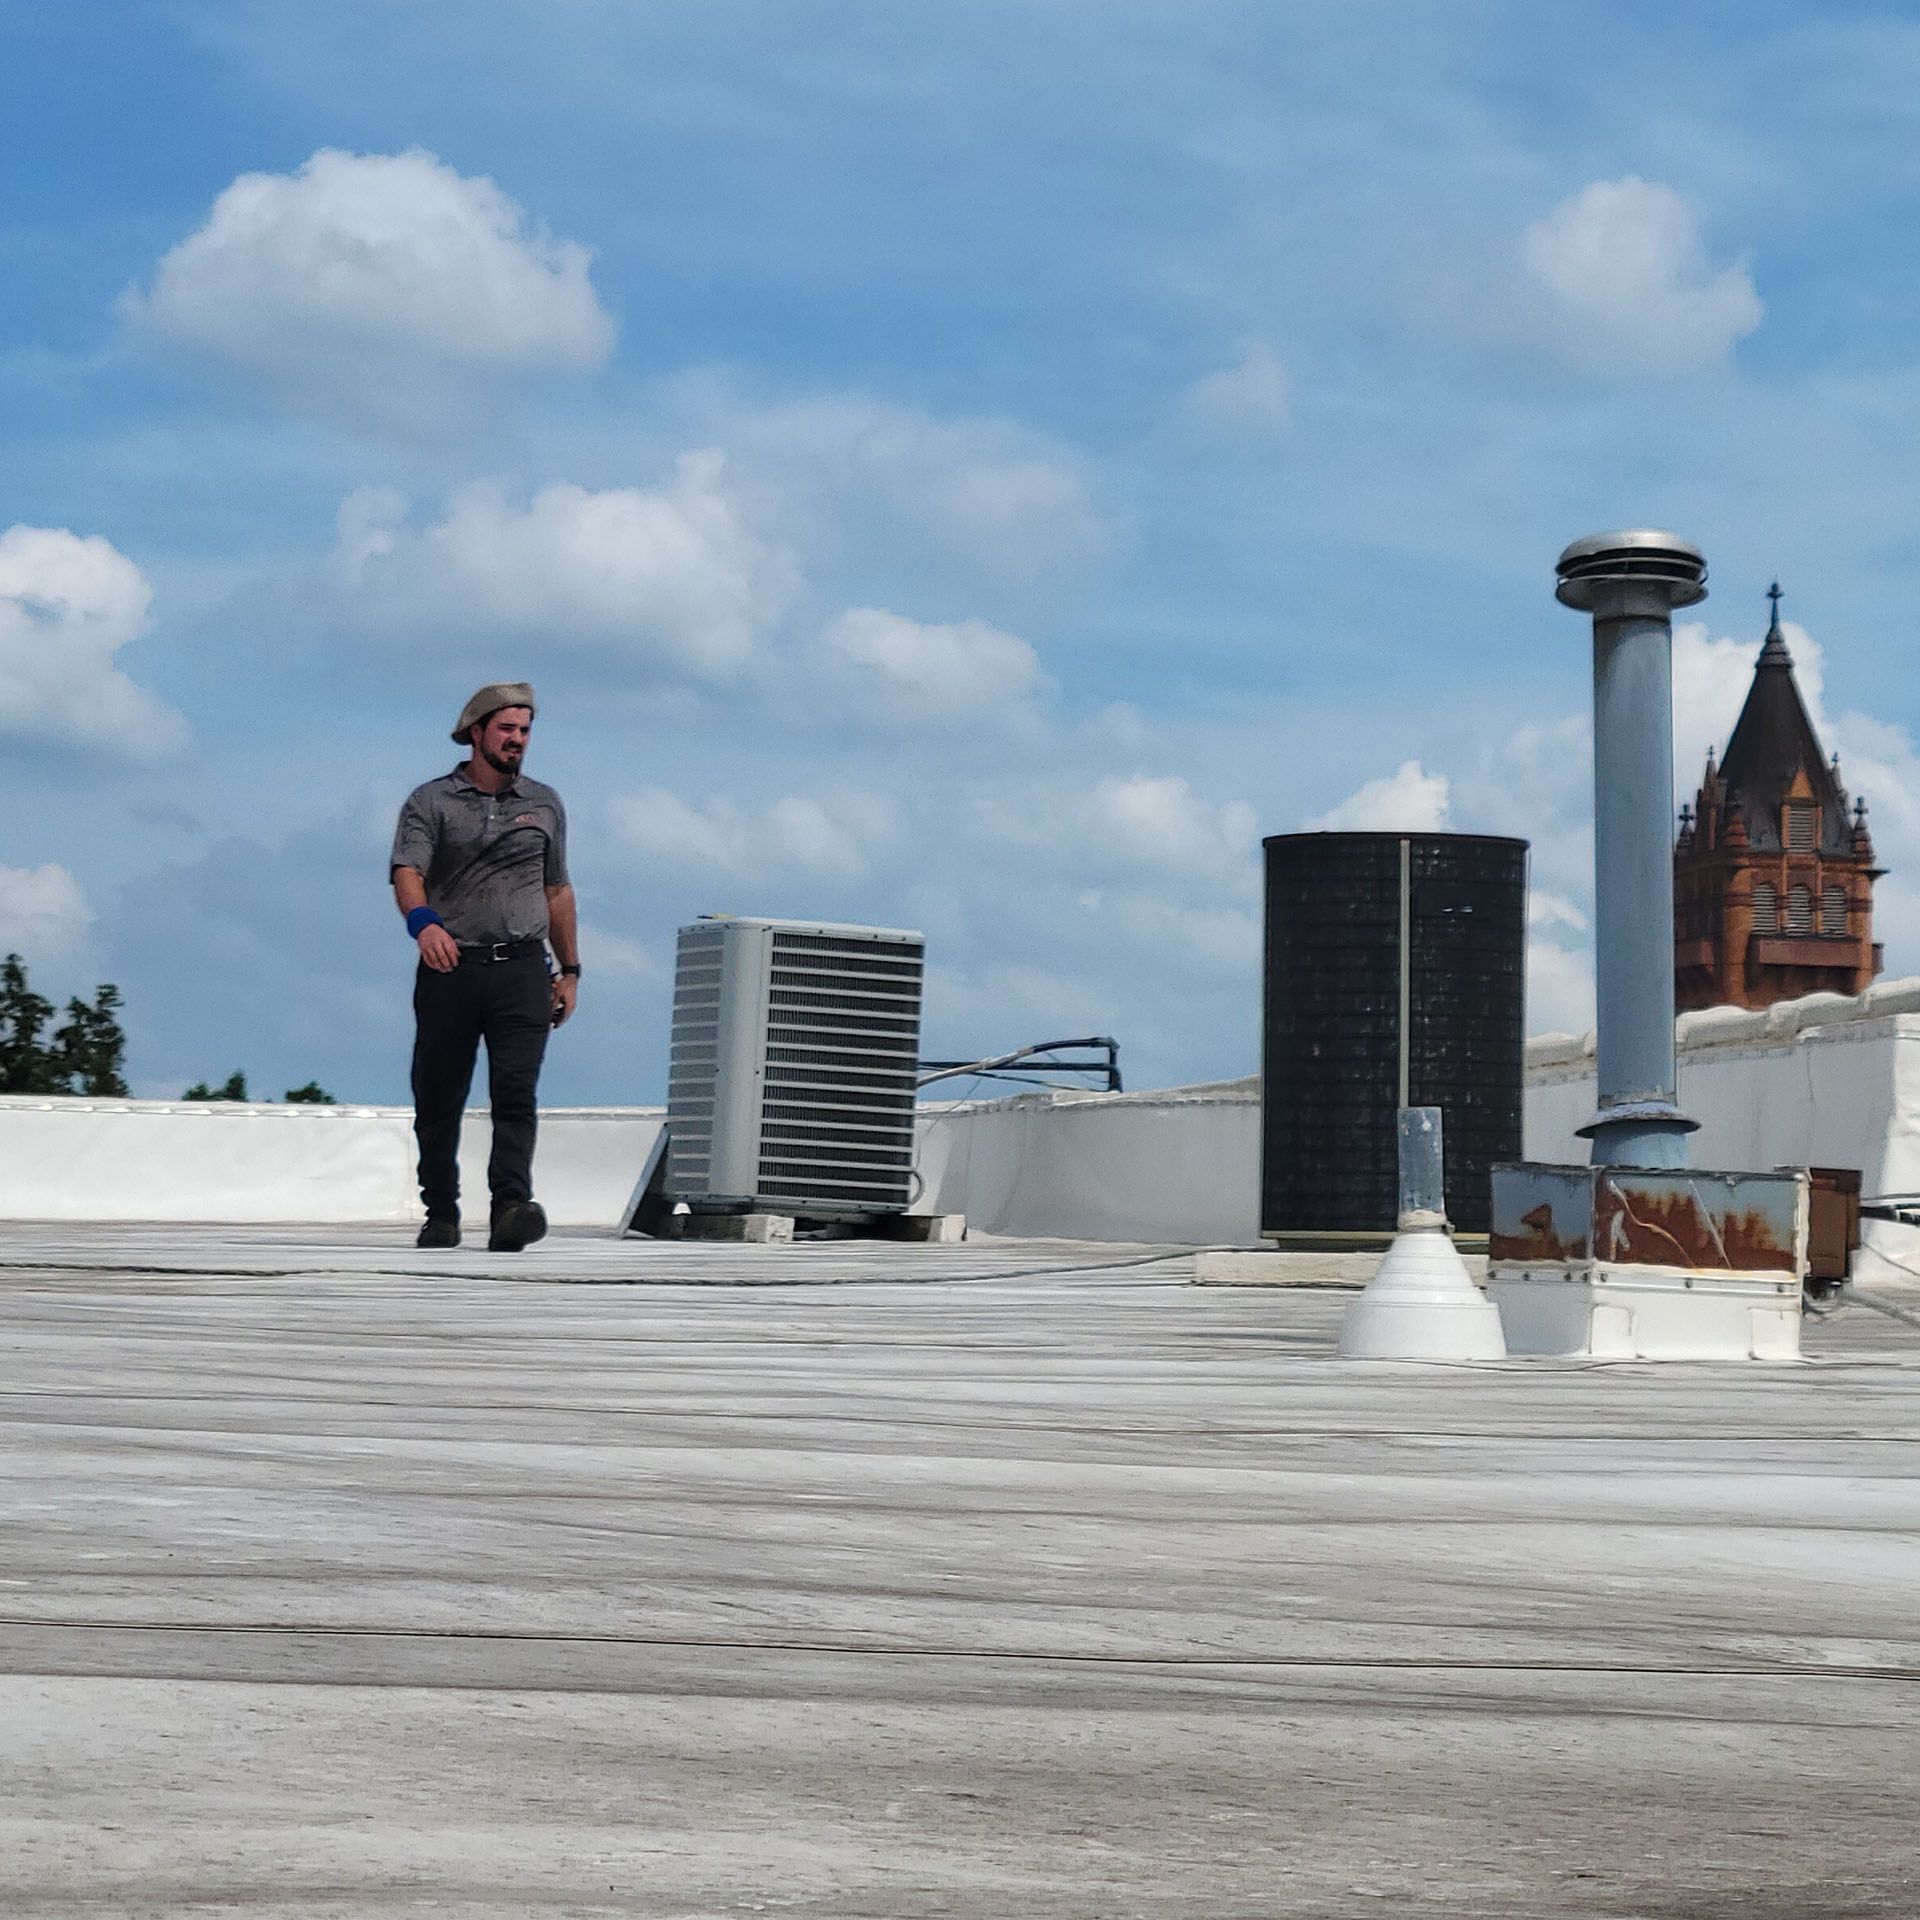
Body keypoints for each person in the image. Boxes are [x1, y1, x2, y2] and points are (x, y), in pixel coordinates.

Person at [390, 681, 580, 1251]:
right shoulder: (431, 801)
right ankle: (441, 1212)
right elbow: (407, 871)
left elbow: (558, 891)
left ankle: (511, 1209)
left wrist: (570, 969)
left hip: (522, 968)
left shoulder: (544, 803)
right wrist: (423, 924)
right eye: (506, 730)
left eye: (524, 731)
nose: (517, 740)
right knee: (438, 1094)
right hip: (452, 969)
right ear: (476, 733)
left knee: (516, 1094)